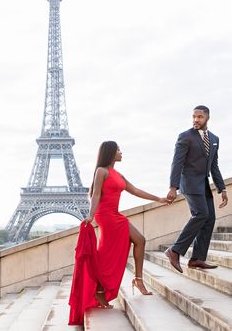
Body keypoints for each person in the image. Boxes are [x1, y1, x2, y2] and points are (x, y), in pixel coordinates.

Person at [69, 141, 169, 325]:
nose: (121, 152)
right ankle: (99, 290)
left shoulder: (118, 174)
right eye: (118, 150)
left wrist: (158, 199)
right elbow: (96, 195)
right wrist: (90, 215)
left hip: (115, 215)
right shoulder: (102, 171)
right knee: (107, 255)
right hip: (105, 216)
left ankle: (138, 280)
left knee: (140, 240)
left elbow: (136, 190)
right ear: (111, 153)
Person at [165, 105, 228, 273]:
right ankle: (175, 251)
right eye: (194, 116)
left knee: (210, 219)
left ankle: (197, 259)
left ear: (207, 117)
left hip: (204, 185)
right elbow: (177, 162)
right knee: (201, 214)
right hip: (190, 184)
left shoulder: (214, 138)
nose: (195, 120)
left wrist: (222, 189)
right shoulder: (185, 137)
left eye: (199, 117)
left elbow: (214, 166)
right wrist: (173, 186)